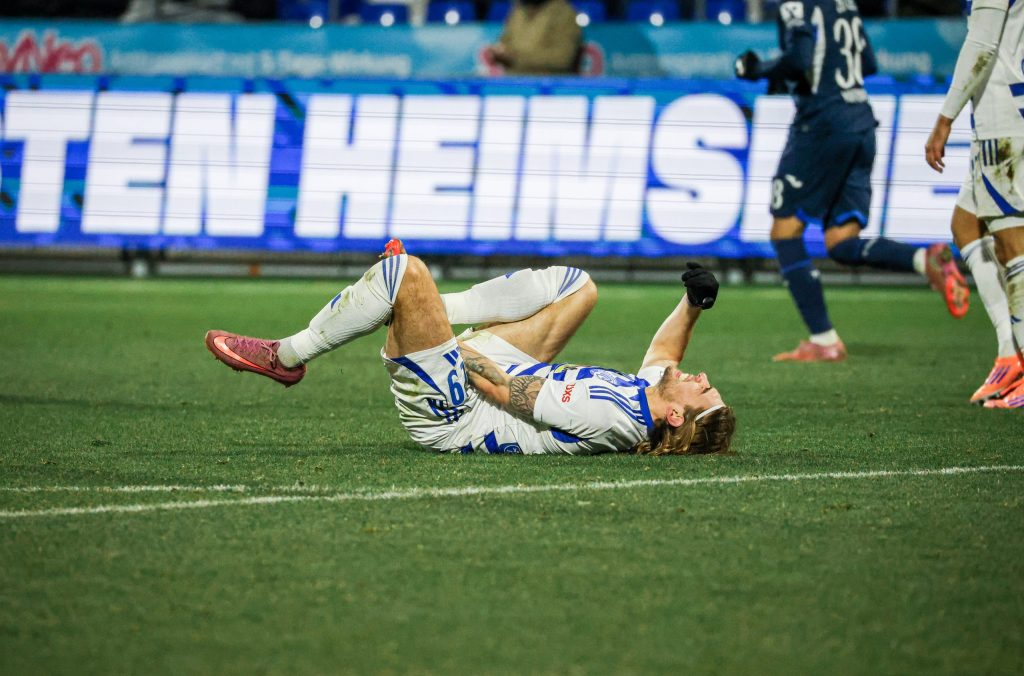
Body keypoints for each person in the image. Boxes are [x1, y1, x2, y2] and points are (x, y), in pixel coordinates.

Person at [205, 242, 736, 455]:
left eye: (702, 391)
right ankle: (422, 305)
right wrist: (694, 303)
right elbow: (664, 357)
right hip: (496, 375)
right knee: (579, 288)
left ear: (674, 417)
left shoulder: (606, 413)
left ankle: (286, 356)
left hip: (458, 411)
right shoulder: (648, 399)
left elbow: (503, 390)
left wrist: (436, 335)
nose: (701, 377)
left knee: (406, 273)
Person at [734, 0, 970, 362]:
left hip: (823, 124)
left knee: (785, 231)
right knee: (841, 242)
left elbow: (800, 58)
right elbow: (867, 63)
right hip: (860, 123)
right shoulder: (843, 3)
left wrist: (758, 69)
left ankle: (823, 340)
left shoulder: (796, 4)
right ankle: (924, 259)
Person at [924, 0, 1024, 409]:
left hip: (1004, 118)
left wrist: (944, 118)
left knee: (1013, 244)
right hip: (1003, 112)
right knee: (966, 223)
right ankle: (1009, 351)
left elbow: (982, 43)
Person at [483, 0, 582, 76]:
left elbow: (561, 59)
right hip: (513, 82)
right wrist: (498, 54)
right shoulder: (518, 10)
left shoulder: (564, 13)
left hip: (548, 86)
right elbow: (504, 42)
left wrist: (515, 57)